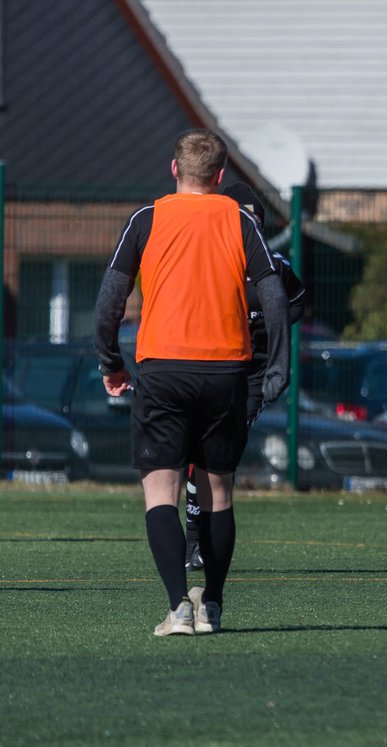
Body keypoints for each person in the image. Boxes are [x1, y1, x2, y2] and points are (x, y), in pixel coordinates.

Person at [94, 129, 290, 636]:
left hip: (161, 369)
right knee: (218, 493)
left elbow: (110, 300)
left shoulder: (147, 218)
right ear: (221, 178)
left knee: (161, 490)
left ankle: (179, 607)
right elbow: (273, 297)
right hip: (227, 370)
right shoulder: (240, 220)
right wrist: (277, 367)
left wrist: (109, 361)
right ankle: (215, 605)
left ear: (174, 169)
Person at [183, 182, 305, 577]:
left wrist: (269, 328)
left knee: (222, 454)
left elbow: (298, 300)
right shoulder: (207, 262)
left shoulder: (274, 265)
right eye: (241, 216)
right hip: (212, 365)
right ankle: (193, 540)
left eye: (254, 218)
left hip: (250, 373)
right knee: (197, 456)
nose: (248, 224)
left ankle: (204, 542)